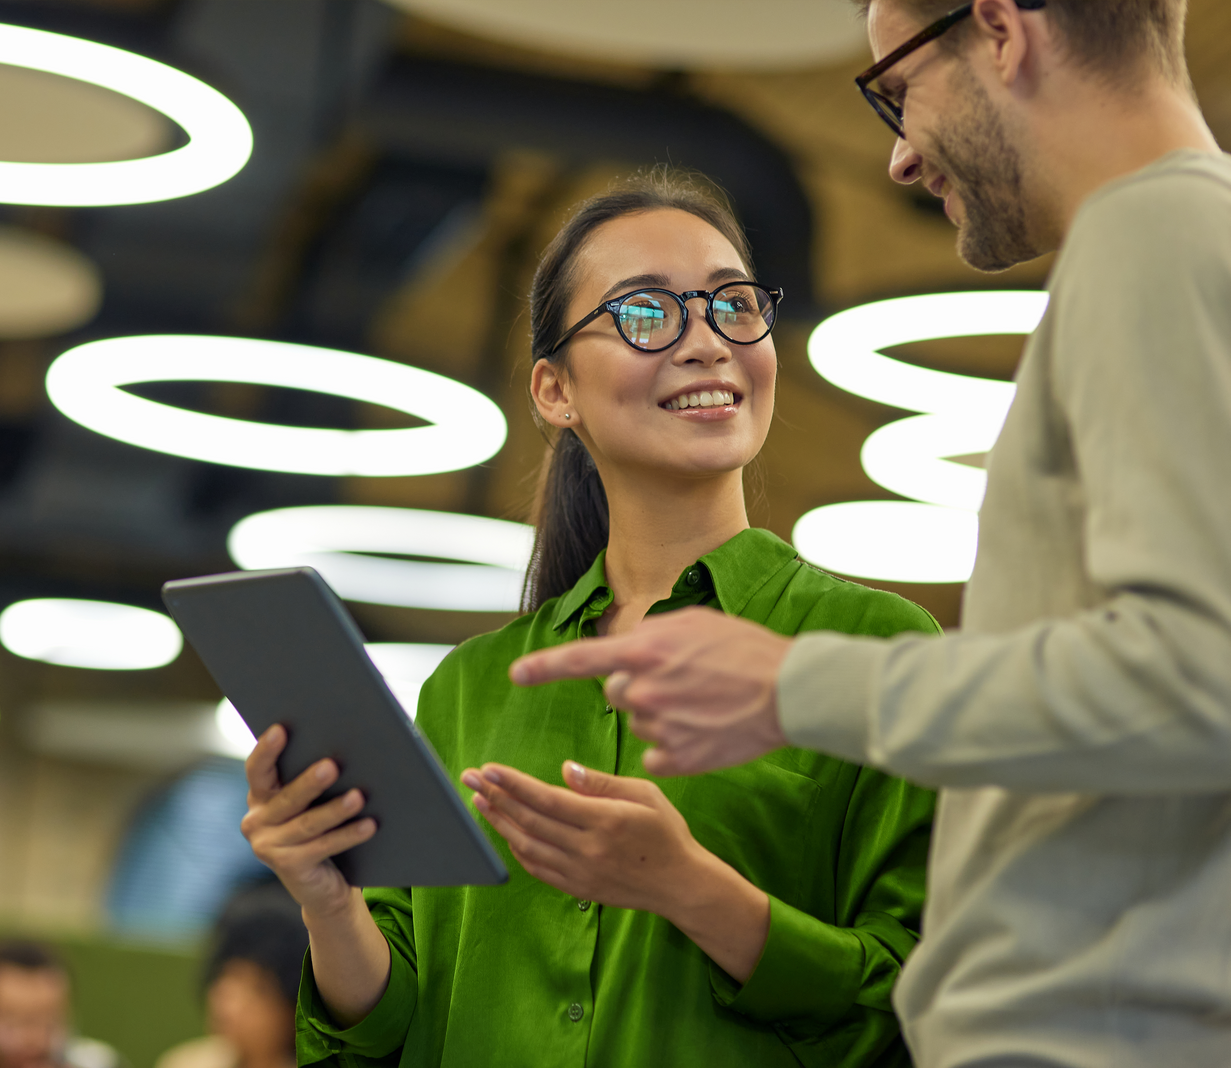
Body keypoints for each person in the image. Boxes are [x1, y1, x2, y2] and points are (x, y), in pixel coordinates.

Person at [507, 3, 1231, 1066]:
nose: (896, 155)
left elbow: (1197, 675)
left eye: (897, 87)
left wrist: (794, 689)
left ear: (997, 27)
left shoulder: (1152, 235)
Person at [240, 171, 944, 1066]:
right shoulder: (470, 687)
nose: (706, 343)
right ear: (553, 391)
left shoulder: (875, 651)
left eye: (733, 305)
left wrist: (692, 890)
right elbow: (386, 1029)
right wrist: (325, 898)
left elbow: (918, 1008)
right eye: (647, 313)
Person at [155, 883, 307, 1068]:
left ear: (293, 1008)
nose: (229, 1002)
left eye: (259, 989)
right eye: (225, 977)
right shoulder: (185, 1063)